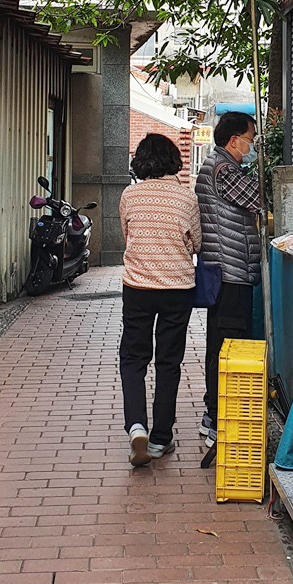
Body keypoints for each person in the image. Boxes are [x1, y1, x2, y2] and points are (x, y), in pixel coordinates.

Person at [118, 132, 202, 467]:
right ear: (173, 161)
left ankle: (136, 424)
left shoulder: (130, 195)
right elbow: (195, 243)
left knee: (133, 358)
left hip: (137, 286)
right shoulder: (186, 198)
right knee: (169, 362)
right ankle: (161, 438)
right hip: (177, 289)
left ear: (140, 161)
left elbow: (127, 235)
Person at [194, 111, 261, 445]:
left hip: (226, 270)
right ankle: (217, 420)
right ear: (234, 140)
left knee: (220, 345)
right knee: (227, 347)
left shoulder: (216, 166)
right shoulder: (225, 170)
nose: (253, 146)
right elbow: (260, 199)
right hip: (231, 272)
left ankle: (213, 416)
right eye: (251, 139)